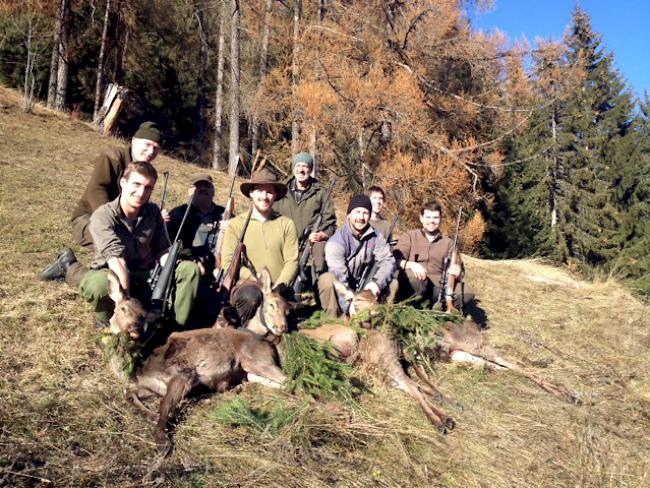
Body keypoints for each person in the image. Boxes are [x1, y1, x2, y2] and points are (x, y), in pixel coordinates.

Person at [40, 162, 200, 328]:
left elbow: (162, 250)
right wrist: (126, 304)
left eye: (148, 188)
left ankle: (175, 327)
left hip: (145, 274)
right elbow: (117, 262)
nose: (141, 193)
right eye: (136, 184)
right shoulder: (103, 216)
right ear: (123, 183)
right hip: (113, 272)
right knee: (99, 285)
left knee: (188, 270)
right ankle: (105, 320)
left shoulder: (153, 212)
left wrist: (170, 267)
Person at [220, 168, 299, 324]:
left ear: (275, 195)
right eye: (260, 191)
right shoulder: (236, 225)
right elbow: (227, 262)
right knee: (250, 297)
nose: (264, 196)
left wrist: (277, 287)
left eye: (269, 192)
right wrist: (258, 282)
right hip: (248, 287)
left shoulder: (286, 224)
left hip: (278, 289)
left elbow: (292, 261)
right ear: (251, 193)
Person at [70, 121, 163, 249]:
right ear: (134, 141)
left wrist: (156, 216)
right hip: (90, 219)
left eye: (156, 147)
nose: (151, 151)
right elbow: (96, 190)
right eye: (147, 144)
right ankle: (71, 267)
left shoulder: (147, 171)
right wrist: (114, 222)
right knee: (121, 246)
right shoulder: (112, 158)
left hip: (127, 225)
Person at [318, 194, 395, 317]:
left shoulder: (376, 236)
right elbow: (339, 276)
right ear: (349, 215)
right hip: (344, 289)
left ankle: (382, 321)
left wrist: (376, 284)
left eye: (365, 213)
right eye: (357, 212)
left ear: (370, 216)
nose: (361, 217)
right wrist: (350, 306)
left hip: (366, 287)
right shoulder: (336, 241)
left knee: (393, 282)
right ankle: (334, 320)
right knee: (326, 280)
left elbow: (388, 261)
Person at [393, 201, 474, 311]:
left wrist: (458, 271)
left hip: (439, 286)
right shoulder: (409, 236)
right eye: (428, 217)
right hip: (417, 284)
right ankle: (411, 307)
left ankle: (443, 309)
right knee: (413, 278)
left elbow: (460, 271)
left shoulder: (449, 243)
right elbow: (396, 259)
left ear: (440, 219)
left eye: (435, 217)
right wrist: (410, 264)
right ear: (421, 218)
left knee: (467, 292)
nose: (431, 221)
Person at [273, 152, 336, 278]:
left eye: (305, 166)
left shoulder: (321, 192)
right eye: (298, 166)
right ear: (293, 168)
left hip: (309, 244)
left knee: (320, 250)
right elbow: (270, 216)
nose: (301, 170)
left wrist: (321, 235)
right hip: (284, 242)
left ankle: (319, 286)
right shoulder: (281, 190)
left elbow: (331, 224)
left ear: (311, 169)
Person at [168, 173, 225, 276]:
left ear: (213, 190)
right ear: (190, 191)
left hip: (220, 268)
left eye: (207, 186)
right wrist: (191, 260)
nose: (203, 188)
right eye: (198, 186)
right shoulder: (178, 214)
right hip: (191, 268)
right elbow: (168, 245)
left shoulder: (224, 214)